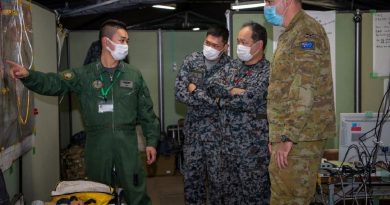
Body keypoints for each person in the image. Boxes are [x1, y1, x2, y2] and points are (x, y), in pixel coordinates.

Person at [7, 19, 159, 205]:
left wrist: (151, 141)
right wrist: (29, 76)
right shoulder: (85, 75)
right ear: (106, 42)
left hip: (126, 142)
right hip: (97, 145)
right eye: (122, 40)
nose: (126, 45)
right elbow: (54, 83)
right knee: (99, 194)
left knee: (137, 192)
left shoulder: (133, 75)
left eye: (127, 41)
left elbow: (146, 111)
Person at [264, 0, 336, 204]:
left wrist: (288, 137)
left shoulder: (306, 32)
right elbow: (283, 88)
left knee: (292, 198)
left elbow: (305, 90)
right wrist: (276, 135)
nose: (266, 5)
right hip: (290, 134)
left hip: (300, 136)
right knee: (282, 194)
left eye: (269, 1)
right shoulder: (290, 32)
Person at [208, 22, 270, 204]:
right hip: (227, 148)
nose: (239, 47)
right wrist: (233, 90)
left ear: (258, 46)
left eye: (244, 42)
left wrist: (223, 99)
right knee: (229, 196)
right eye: (238, 41)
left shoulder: (268, 72)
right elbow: (211, 85)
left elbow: (249, 99)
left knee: (254, 196)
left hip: (252, 150)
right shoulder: (233, 66)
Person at [175, 25, 231, 205]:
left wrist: (195, 90)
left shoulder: (231, 67)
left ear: (225, 47)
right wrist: (211, 100)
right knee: (192, 181)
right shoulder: (192, 60)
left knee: (219, 183)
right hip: (194, 134)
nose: (210, 48)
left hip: (219, 136)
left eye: (215, 45)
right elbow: (179, 92)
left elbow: (226, 99)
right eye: (208, 43)